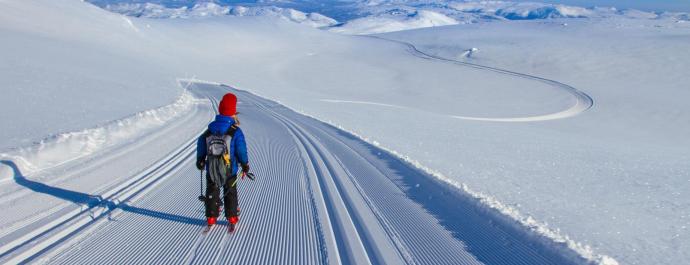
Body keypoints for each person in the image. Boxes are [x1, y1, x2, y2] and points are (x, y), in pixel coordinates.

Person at [196, 92, 250, 228]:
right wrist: (245, 164)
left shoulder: (210, 128)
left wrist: (201, 159)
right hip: (229, 169)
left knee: (212, 191)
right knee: (230, 192)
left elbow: (201, 142)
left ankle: (211, 217)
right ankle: (232, 217)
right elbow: (241, 149)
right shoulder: (235, 130)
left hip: (212, 168)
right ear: (233, 112)